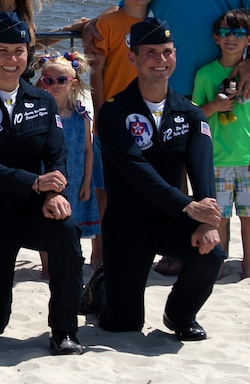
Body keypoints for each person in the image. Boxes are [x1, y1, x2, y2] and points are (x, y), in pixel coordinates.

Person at [0, 12, 85, 355]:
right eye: (3, 51)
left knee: (67, 231)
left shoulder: (41, 100)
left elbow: (57, 155)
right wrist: (36, 183)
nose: (12, 59)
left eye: (19, 51)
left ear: (29, 53)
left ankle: (65, 329)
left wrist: (53, 191)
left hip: (30, 210)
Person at [85, 19, 225, 340]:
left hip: (170, 220)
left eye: (166, 52)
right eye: (151, 53)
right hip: (127, 225)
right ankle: (102, 284)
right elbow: (137, 172)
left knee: (211, 254)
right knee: (123, 324)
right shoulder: (114, 112)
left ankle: (179, 315)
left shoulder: (190, 113)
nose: (160, 61)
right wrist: (190, 207)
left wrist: (208, 219)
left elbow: (202, 169)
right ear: (132, 58)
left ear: (175, 54)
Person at [190, 19, 250, 282]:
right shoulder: (205, 74)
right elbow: (195, 114)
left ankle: (248, 267)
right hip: (216, 159)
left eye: (239, 33)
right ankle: (218, 264)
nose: (231, 38)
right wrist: (215, 106)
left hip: (248, 160)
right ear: (216, 38)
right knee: (219, 217)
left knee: (249, 218)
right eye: (225, 32)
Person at [35, 51, 99, 262]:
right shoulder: (39, 115)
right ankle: (46, 264)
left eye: (61, 80)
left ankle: (72, 257)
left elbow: (89, 150)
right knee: (47, 219)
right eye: (49, 80)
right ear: (42, 83)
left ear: (72, 83)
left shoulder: (82, 117)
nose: (55, 85)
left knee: (74, 219)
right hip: (48, 177)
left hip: (76, 176)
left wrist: (87, 182)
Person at [82, 0, 156, 117]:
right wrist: (100, 114)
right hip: (114, 108)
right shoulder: (106, 23)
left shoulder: (156, 24)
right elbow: (96, 72)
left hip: (147, 112)